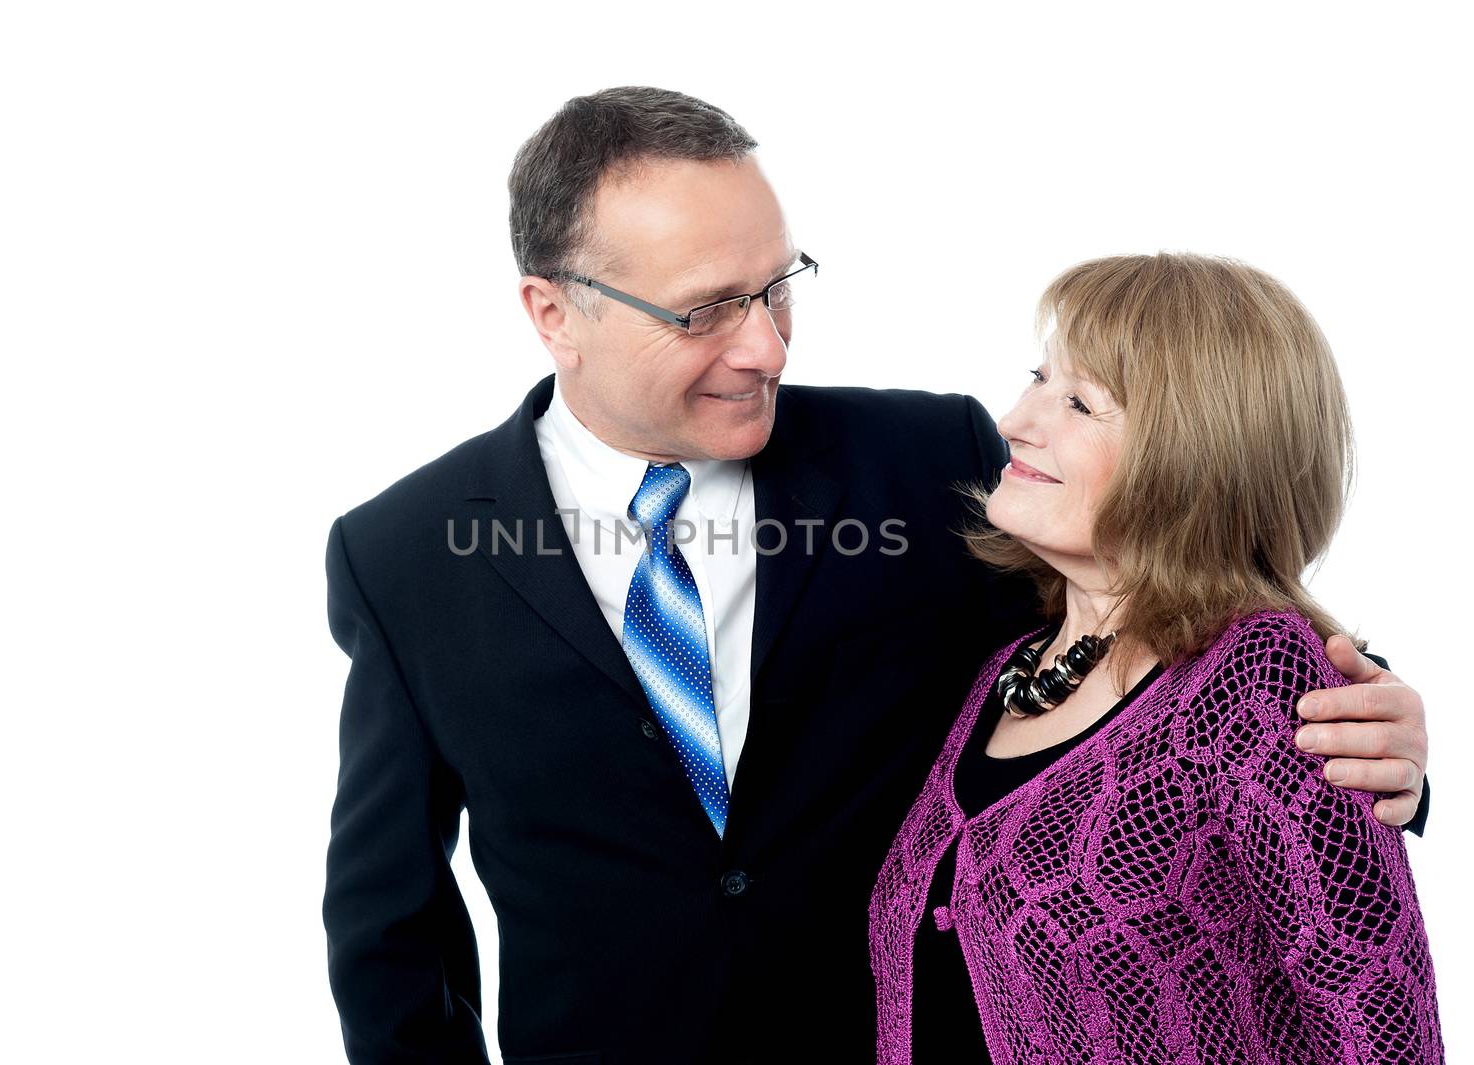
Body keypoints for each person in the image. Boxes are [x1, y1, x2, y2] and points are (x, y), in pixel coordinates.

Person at [322, 89, 1430, 1065]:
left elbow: (1161, 591)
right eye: (706, 310)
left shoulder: (926, 462)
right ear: (552, 312)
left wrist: (1353, 723)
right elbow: (390, 931)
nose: (767, 347)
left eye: (778, 287)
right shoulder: (405, 554)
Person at [869, 253, 1442, 1063]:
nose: (1015, 420)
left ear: (1192, 454)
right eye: (1037, 377)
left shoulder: (1261, 675)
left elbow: (1377, 1022)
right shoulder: (1001, 673)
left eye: (1078, 401)